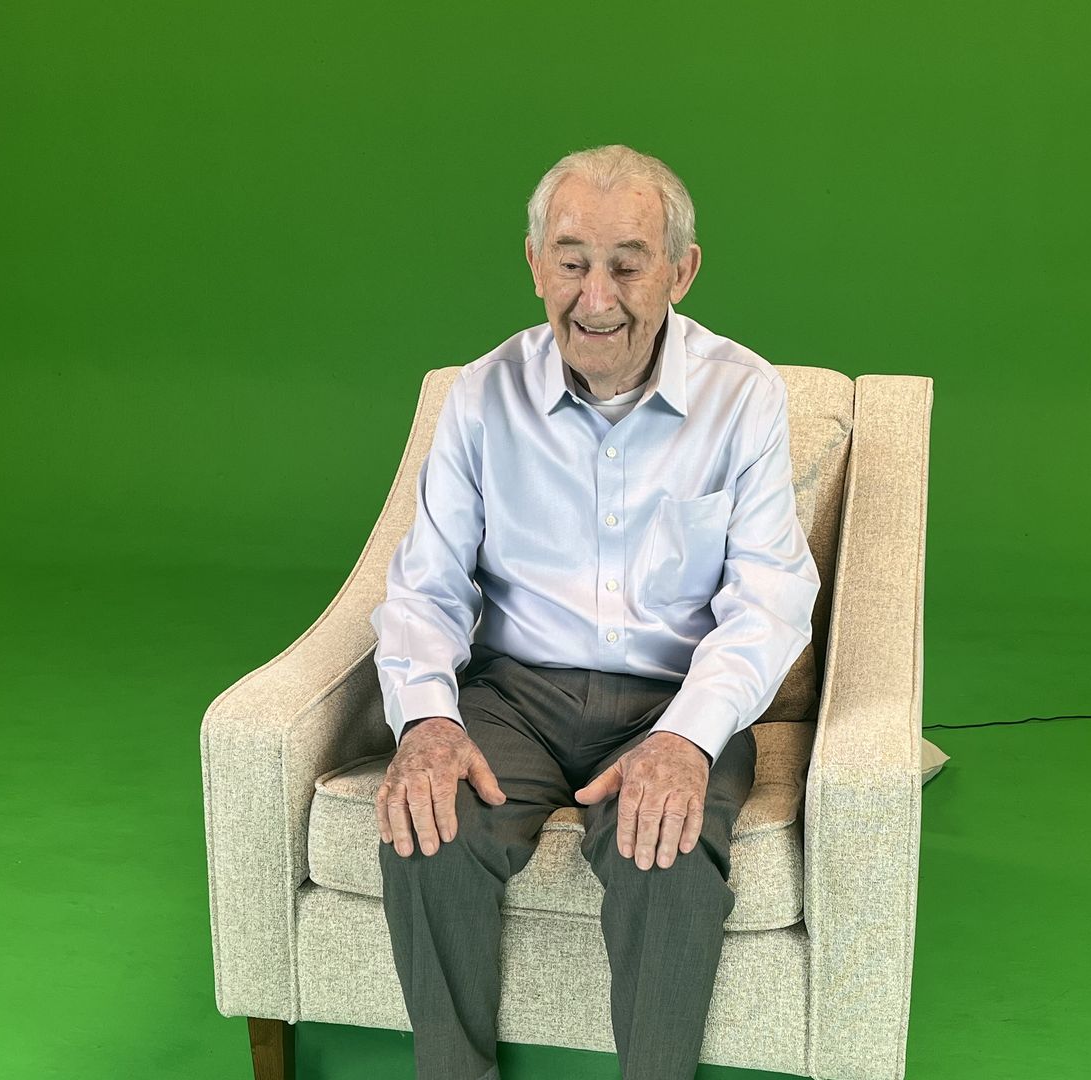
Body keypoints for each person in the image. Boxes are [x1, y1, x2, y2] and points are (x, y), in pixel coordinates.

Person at [367, 143, 819, 1080]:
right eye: (572, 263)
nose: (597, 298)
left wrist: (688, 739)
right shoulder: (481, 396)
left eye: (628, 265)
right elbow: (427, 584)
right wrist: (428, 721)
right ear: (536, 265)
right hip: (514, 696)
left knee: (667, 849)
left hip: (672, 695)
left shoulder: (744, 396)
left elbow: (770, 599)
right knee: (428, 827)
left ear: (682, 271)